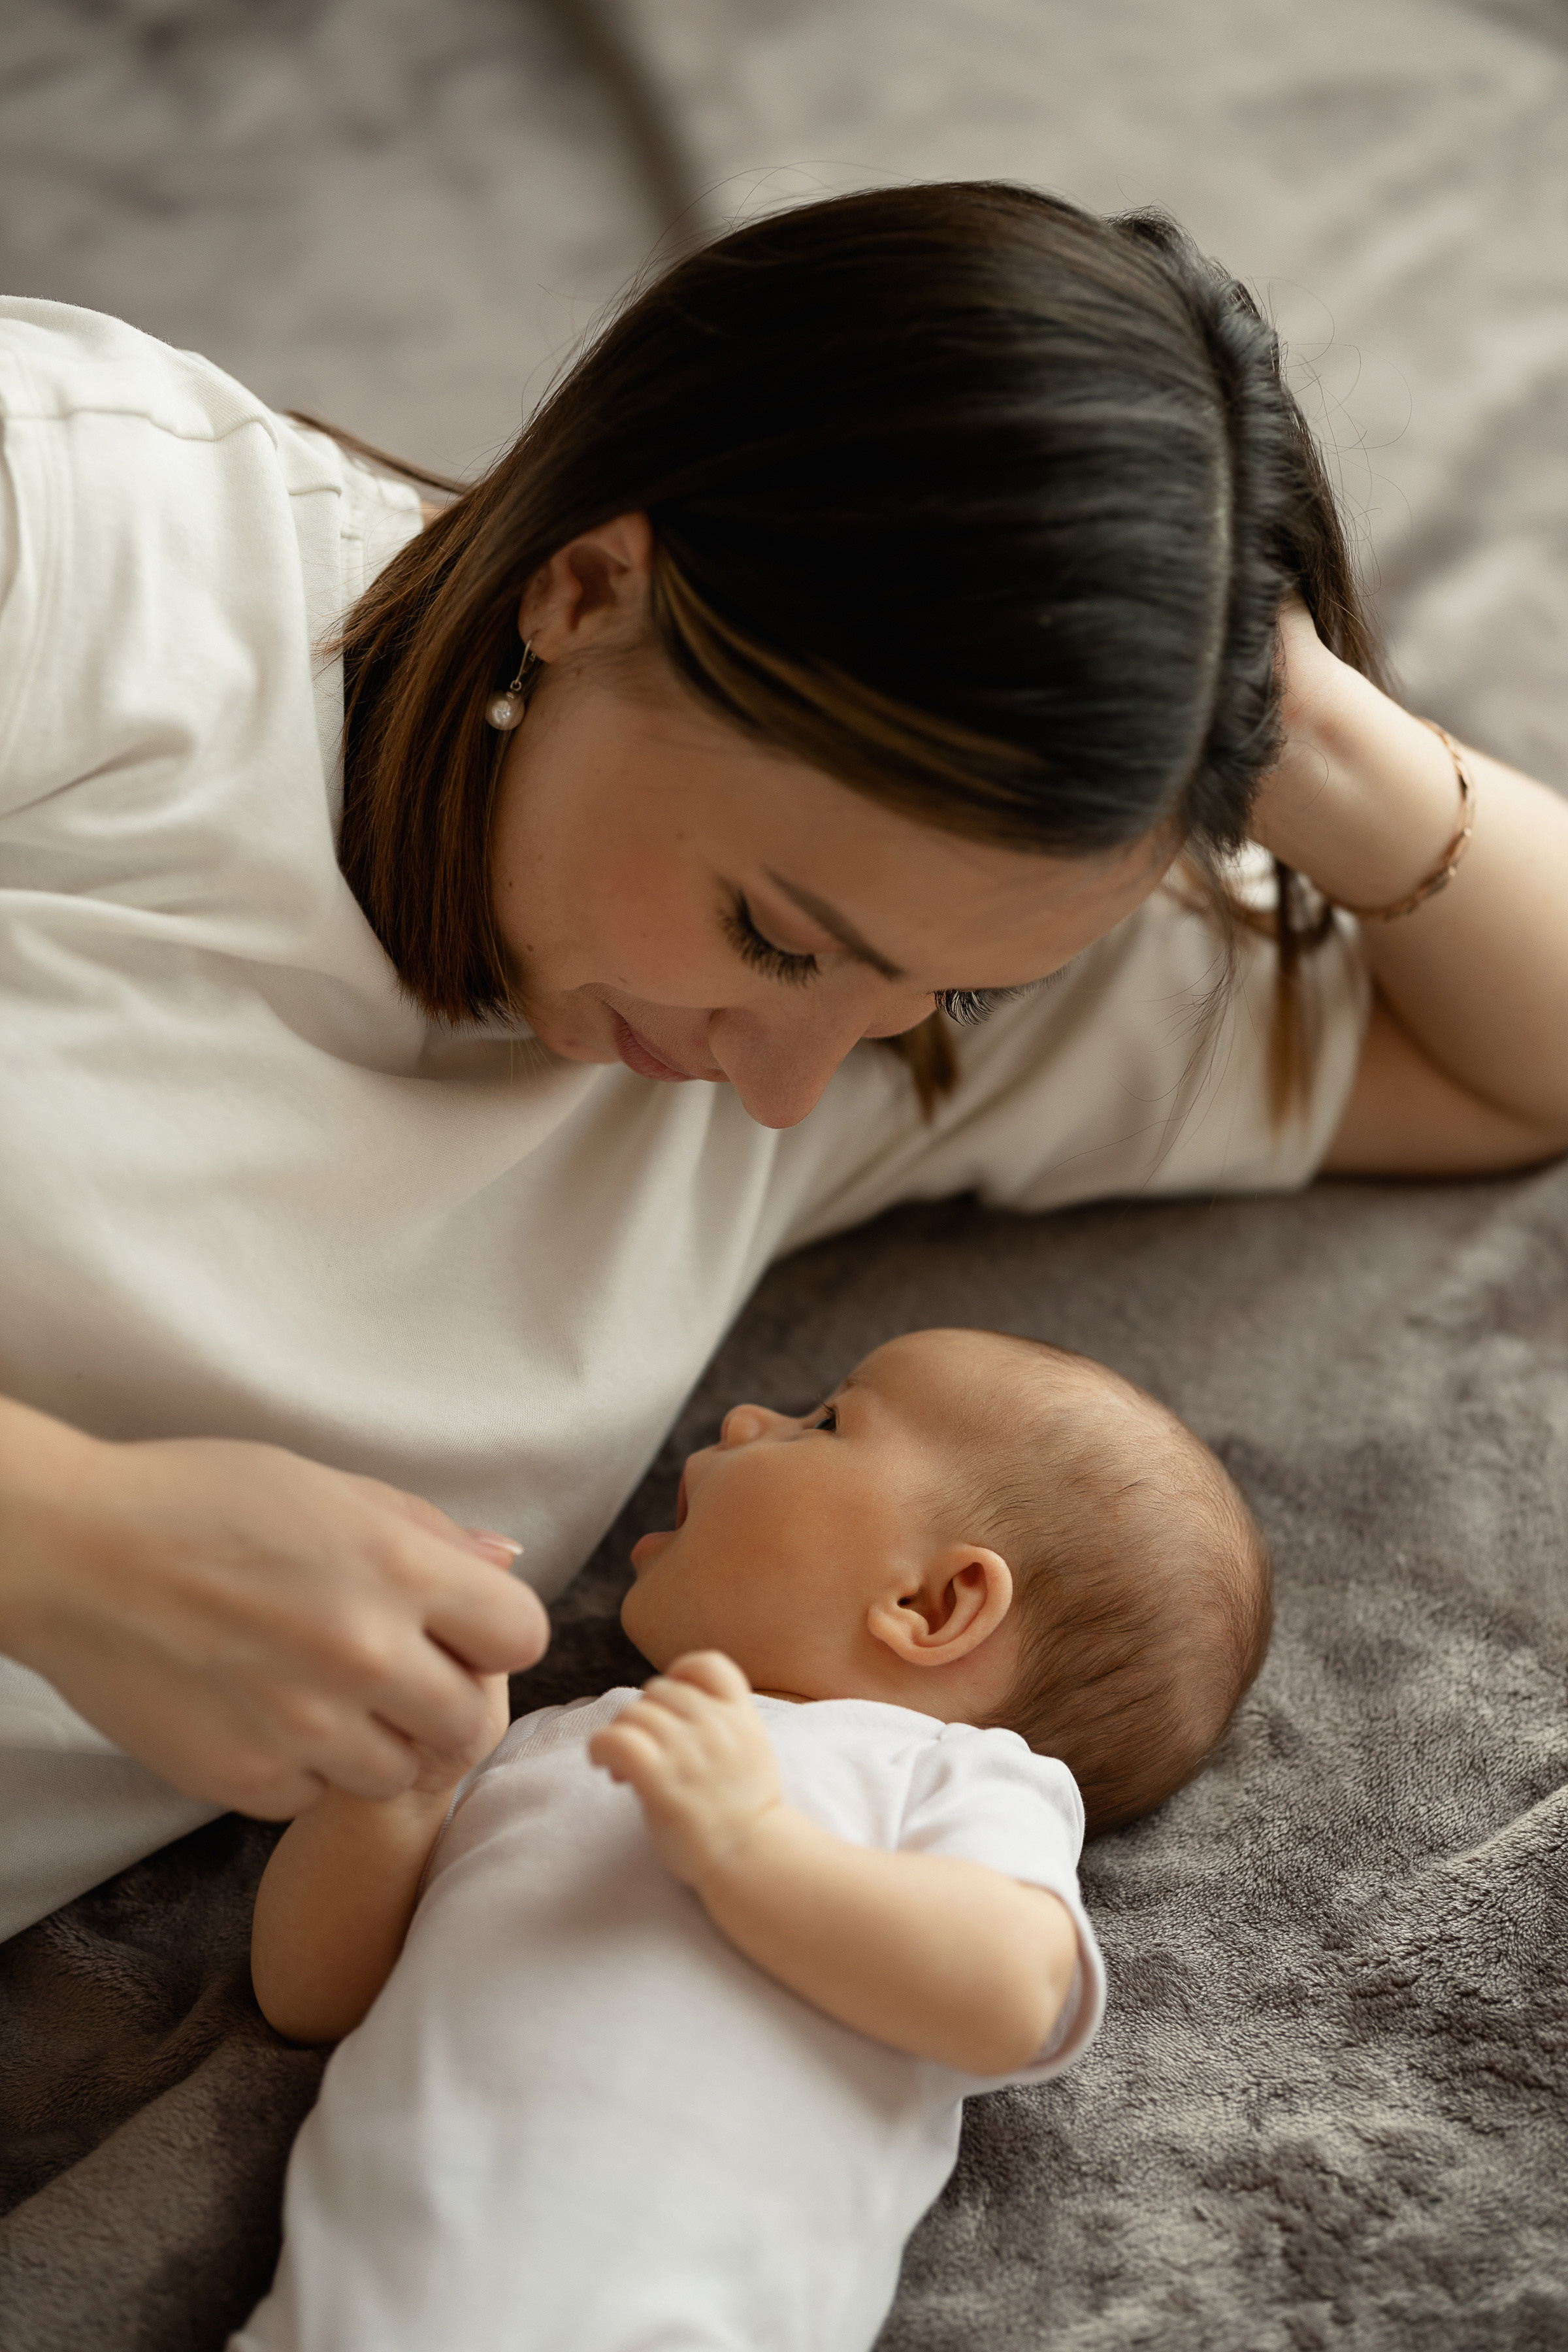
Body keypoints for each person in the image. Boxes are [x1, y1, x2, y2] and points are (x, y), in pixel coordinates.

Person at [1, 183, 1565, 1940]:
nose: (791, 1092)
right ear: (589, 585)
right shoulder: (82, 535)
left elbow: (1539, 1050)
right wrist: (61, 1537)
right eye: (778, 937)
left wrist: (1290, 715)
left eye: (936, 1001)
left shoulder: (890, 991)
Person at [234, 1327, 1269, 2352]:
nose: (742, 1416)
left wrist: (751, 1846)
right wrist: (399, 1793)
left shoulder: (953, 1772)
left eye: (825, 1421)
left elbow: (1008, 1994)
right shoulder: (548, 1740)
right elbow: (314, 1996)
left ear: (933, 1602)